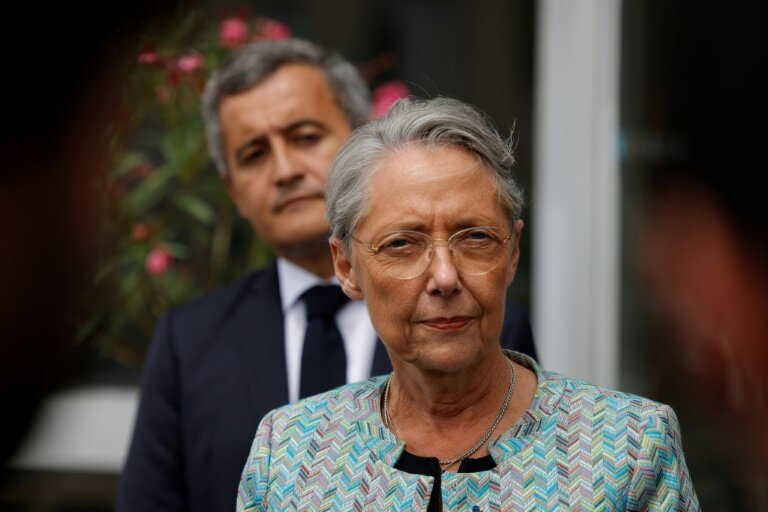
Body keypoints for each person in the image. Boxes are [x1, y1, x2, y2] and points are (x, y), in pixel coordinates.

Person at [118, 40, 537, 512]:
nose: (284, 170)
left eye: (305, 137)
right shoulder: (190, 341)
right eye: (254, 154)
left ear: (362, 136)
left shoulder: (474, 316)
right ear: (233, 191)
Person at [237, 97, 699, 510]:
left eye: (475, 237)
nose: (444, 277)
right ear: (346, 267)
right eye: (402, 244)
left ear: (512, 252)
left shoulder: (629, 447)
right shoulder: (291, 452)